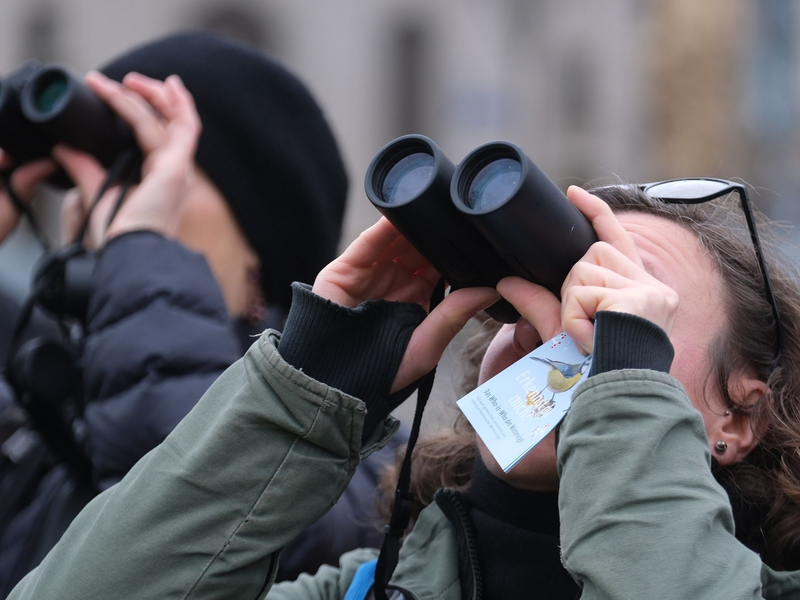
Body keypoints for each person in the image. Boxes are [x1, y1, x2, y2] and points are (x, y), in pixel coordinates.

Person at [8, 82, 800, 600]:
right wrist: (304, 391)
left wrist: (623, 385)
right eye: (556, 292)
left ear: (739, 417)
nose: (562, 327)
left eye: (628, 308)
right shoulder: (367, 588)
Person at [0, 33, 406, 595]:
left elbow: (210, 516)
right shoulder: (53, 404)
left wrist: (142, 256)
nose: (101, 202)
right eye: (87, 174)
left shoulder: (352, 440)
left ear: (256, 237)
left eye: (142, 170)